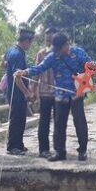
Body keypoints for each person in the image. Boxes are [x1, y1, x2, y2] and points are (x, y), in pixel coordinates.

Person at [15, 33, 96, 162]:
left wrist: (84, 84)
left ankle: (82, 150)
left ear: (66, 45)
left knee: (79, 121)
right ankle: (60, 151)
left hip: (77, 93)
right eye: (56, 50)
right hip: (60, 95)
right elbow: (39, 68)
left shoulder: (79, 53)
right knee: (59, 124)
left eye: (60, 49)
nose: (58, 52)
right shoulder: (53, 57)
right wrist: (24, 72)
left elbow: (93, 67)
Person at [4, 26, 36, 155]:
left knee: (21, 118)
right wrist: (27, 92)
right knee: (16, 119)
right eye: (31, 42)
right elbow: (17, 77)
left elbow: (4, 64)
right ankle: (12, 146)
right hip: (15, 92)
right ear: (27, 41)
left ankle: (19, 144)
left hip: (17, 92)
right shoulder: (17, 54)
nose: (31, 45)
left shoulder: (13, 50)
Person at [33, 27, 59, 158]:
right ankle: (43, 149)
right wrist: (32, 89)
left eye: (51, 36)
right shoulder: (41, 53)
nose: (48, 39)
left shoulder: (62, 53)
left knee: (59, 122)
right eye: (47, 36)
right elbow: (37, 71)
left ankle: (59, 149)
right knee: (44, 121)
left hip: (59, 93)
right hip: (44, 93)